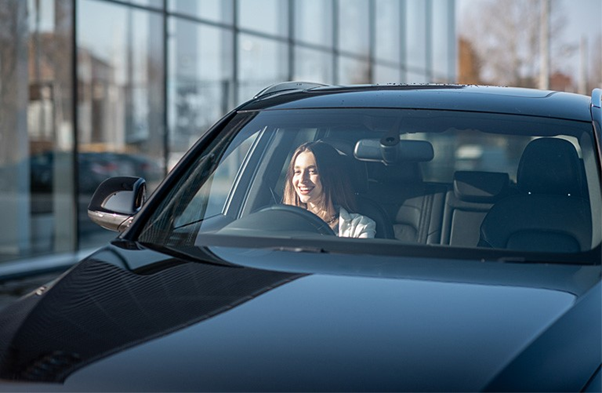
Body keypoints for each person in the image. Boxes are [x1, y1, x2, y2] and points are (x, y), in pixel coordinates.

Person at [282, 141, 376, 238]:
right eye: (297, 172)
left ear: (331, 176)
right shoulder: (282, 223)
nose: (302, 179)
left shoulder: (359, 226)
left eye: (312, 171)